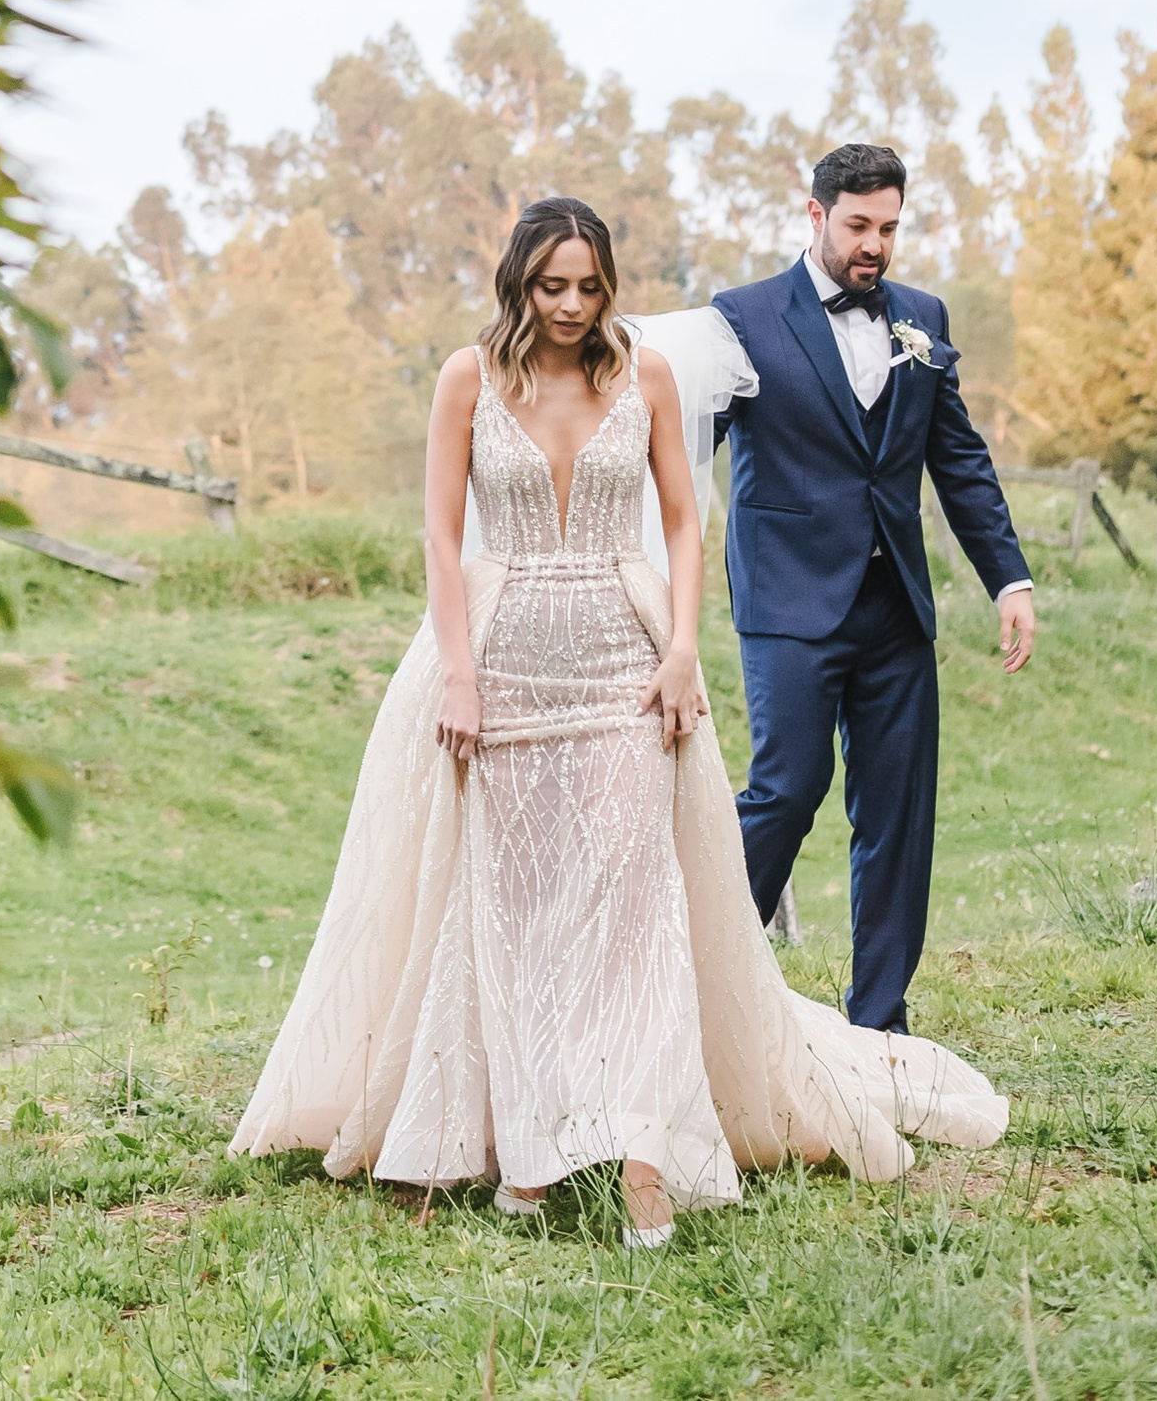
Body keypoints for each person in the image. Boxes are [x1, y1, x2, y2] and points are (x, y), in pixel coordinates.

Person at [231, 194, 1007, 1230]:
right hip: (504, 663)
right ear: (518, 281)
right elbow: (439, 535)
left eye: (588, 286)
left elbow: (684, 522)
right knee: (514, 910)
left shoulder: (641, 373)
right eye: (551, 285)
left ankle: (643, 1151)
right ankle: (528, 1144)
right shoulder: (468, 377)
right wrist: (456, 672)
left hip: (624, 665)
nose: (569, 305)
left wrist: (681, 649)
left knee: (632, 905)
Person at [713, 141, 1033, 1034]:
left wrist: (1008, 578)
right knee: (786, 789)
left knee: (898, 811)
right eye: (858, 225)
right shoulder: (743, 317)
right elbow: (682, 445)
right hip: (787, 601)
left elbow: (958, 460)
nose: (874, 245)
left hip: (895, 607)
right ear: (816, 215)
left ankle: (880, 1023)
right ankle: (701, 980)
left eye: (888, 228)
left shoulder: (922, 317)